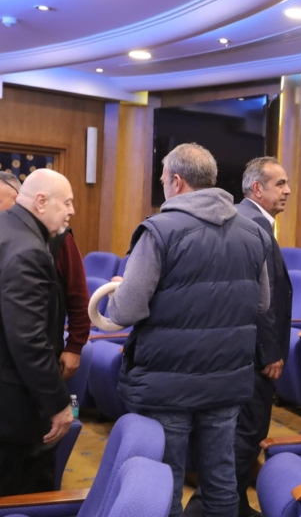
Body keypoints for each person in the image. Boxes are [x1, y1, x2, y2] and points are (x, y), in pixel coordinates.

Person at [108, 143, 272, 517]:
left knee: (164, 480)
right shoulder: (253, 232)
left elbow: (127, 310)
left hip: (166, 383)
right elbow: (261, 303)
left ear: (177, 181)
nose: (163, 184)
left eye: (163, 179)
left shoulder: (159, 230)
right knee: (221, 479)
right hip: (226, 379)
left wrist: (120, 291)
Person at [0, 169, 75, 515]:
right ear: (41, 202)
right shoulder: (27, 250)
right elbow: (29, 340)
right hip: (4, 415)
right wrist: (58, 404)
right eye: (66, 202)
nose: (71, 211)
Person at [185, 156, 293, 517]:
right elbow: (258, 300)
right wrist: (270, 351)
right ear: (257, 188)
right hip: (251, 355)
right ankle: (207, 509)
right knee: (245, 436)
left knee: (237, 435)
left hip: (235, 351)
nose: (288, 190)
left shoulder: (242, 219)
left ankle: (236, 506)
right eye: (280, 184)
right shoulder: (253, 225)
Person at [0, 171, 90, 381]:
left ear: (18, 200)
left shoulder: (58, 239)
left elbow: (78, 297)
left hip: (40, 359)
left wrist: (75, 346)